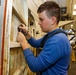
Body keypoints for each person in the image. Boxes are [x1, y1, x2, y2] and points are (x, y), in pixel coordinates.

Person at [17, 1, 71, 75]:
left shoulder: (58, 40)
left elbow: (35, 66)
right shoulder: (52, 35)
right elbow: (36, 43)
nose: (39, 23)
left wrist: (23, 43)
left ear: (53, 20)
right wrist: (26, 34)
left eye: (41, 19)